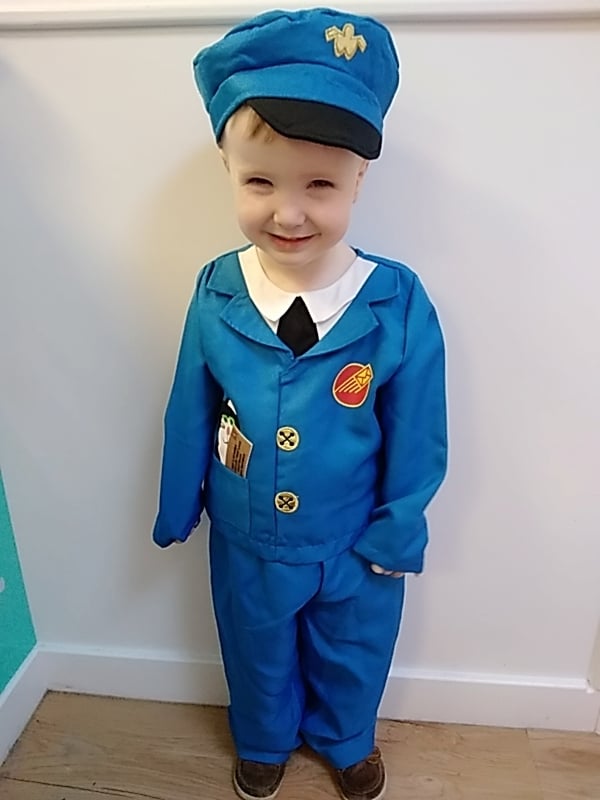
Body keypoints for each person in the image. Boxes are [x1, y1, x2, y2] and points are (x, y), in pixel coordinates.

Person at [153, 8, 447, 800]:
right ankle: (263, 738)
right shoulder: (218, 289)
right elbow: (191, 402)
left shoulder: (394, 300)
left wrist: (398, 526)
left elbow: (418, 428)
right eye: (261, 182)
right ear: (227, 168)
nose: (289, 213)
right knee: (255, 646)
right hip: (246, 537)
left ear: (359, 179)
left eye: (320, 184)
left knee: (354, 646)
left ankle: (347, 738)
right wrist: (179, 500)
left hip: (353, 539)